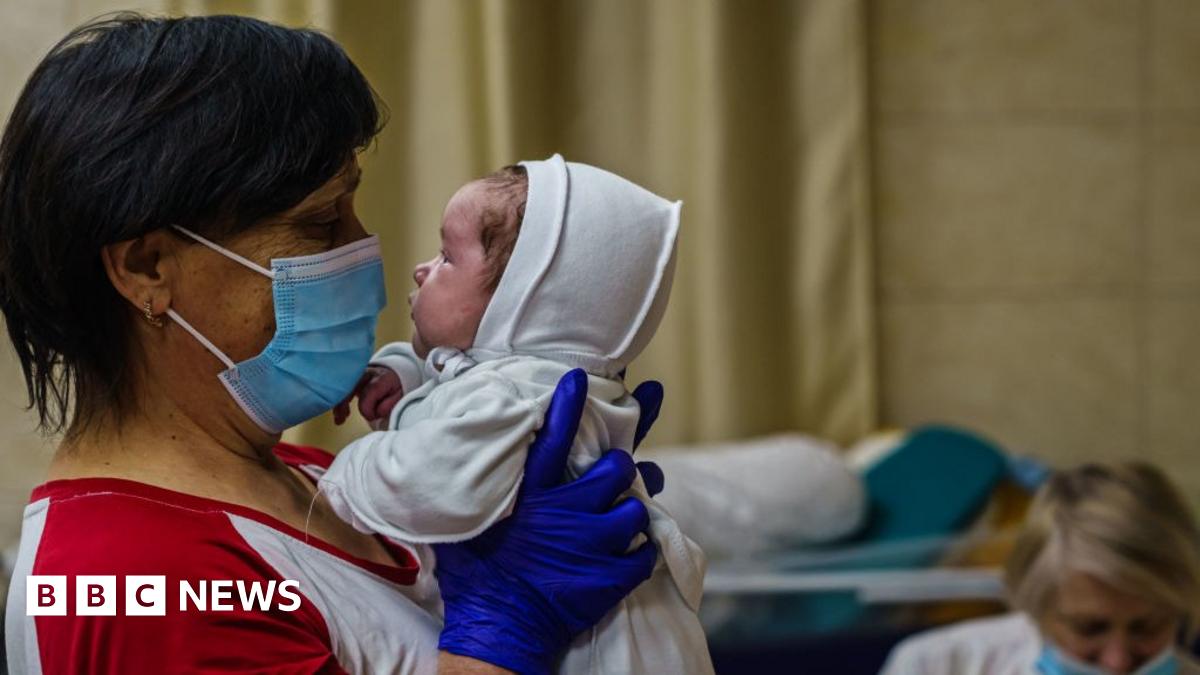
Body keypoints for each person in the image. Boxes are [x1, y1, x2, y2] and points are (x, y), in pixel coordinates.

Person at [0, 14, 669, 674]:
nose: (364, 253)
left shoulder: (299, 475)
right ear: (147, 266)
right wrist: (507, 626)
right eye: (320, 223)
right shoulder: (131, 581)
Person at [317, 156, 713, 674]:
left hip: (599, 651)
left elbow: (428, 482)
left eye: (446, 257)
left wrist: (344, 477)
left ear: (520, 302)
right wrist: (403, 378)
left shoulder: (506, 394)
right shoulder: (533, 380)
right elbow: (452, 375)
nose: (422, 269)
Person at [881, 461, 1200, 675]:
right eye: (1089, 628)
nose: (1117, 662)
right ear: (1035, 605)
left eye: (1148, 627)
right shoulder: (937, 666)